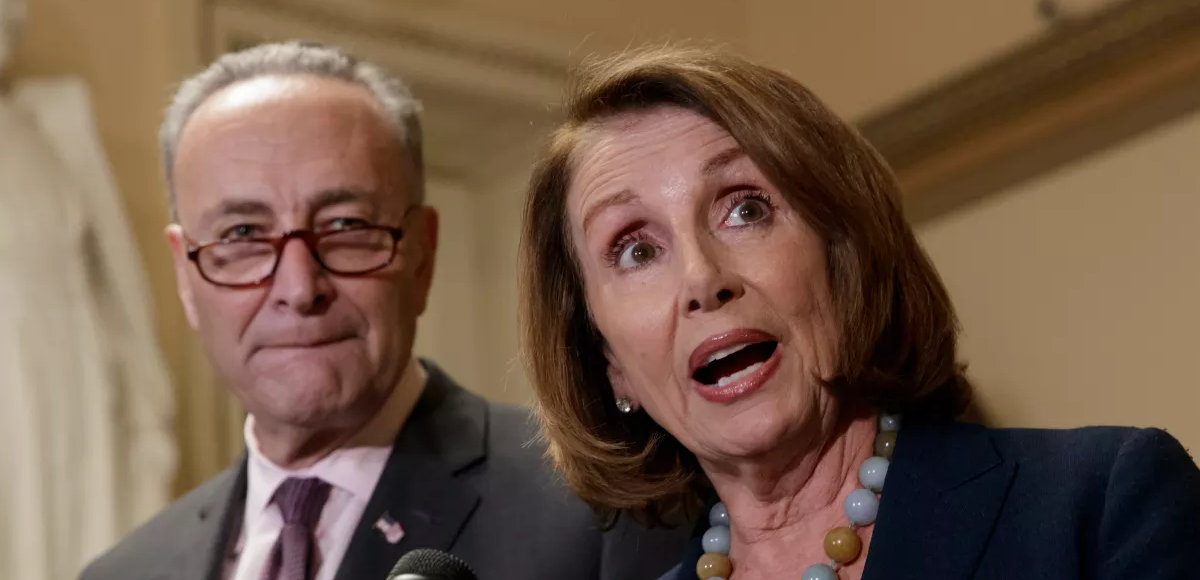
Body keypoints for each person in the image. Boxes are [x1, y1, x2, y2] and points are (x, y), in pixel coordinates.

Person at [519, 46, 1200, 580]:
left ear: (843, 256)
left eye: (745, 208)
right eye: (635, 250)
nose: (703, 279)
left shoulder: (1102, 504)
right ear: (611, 365)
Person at [79, 41, 688, 580]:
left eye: (346, 226)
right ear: (186, 272)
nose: (299, 287)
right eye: (241, 234)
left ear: (422, 253)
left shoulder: (612, 509)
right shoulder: (124, 572)